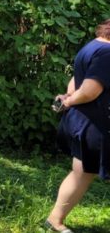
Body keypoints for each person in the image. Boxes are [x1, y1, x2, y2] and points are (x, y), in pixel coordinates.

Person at [44, 19, 110, 233]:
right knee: (81, 172)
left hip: (82, 121)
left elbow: (76, 79)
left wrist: (68, 97)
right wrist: (69, 101)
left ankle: (55, 220)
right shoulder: (107, 53)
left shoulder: (92, 46)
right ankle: (55, 220)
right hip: (95, 124)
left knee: (80, 172)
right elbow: (90, 89)